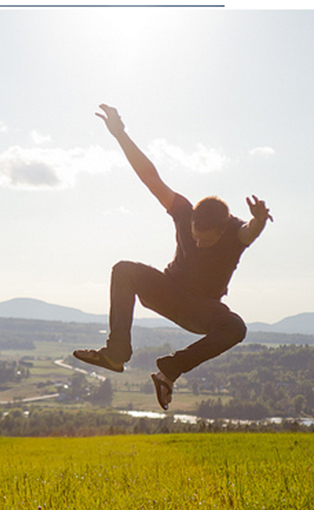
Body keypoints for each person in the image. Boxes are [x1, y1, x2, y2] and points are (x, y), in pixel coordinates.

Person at [74, 104, 272, 410]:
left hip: (201, 309)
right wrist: (120, 135)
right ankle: (116, 353)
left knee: (236, 327)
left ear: (222, 231)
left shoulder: (234, 233)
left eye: (205, 241)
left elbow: (250, 232)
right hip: (168, 292)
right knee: (123, 270)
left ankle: (169, 370)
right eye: (194, 236)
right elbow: (149, 176)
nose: (198, 243)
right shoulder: (183, 211)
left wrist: (259, 219)